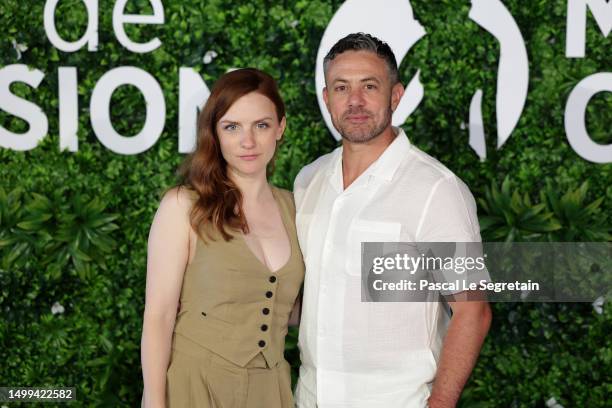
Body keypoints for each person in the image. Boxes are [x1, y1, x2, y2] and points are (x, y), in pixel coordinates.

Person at [293, 33, 492, 408]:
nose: (354, 101)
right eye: (341, 87)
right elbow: (314, 295)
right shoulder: (309, 180)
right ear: (326, 99)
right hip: (310, 398)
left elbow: (473, 309)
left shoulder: (437, 189)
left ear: (396, 95)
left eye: (369, 86)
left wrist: (441, 403)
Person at [140, 68, 304, 408]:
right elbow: (159, 316)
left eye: (261, 125)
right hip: (196, 384)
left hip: (271, 390)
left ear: (281, 128)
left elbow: (289, 305)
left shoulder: (297, 208)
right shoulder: (183, 206)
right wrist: (154, 403)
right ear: (214, 132)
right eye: (232, 127)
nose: (248, 141)